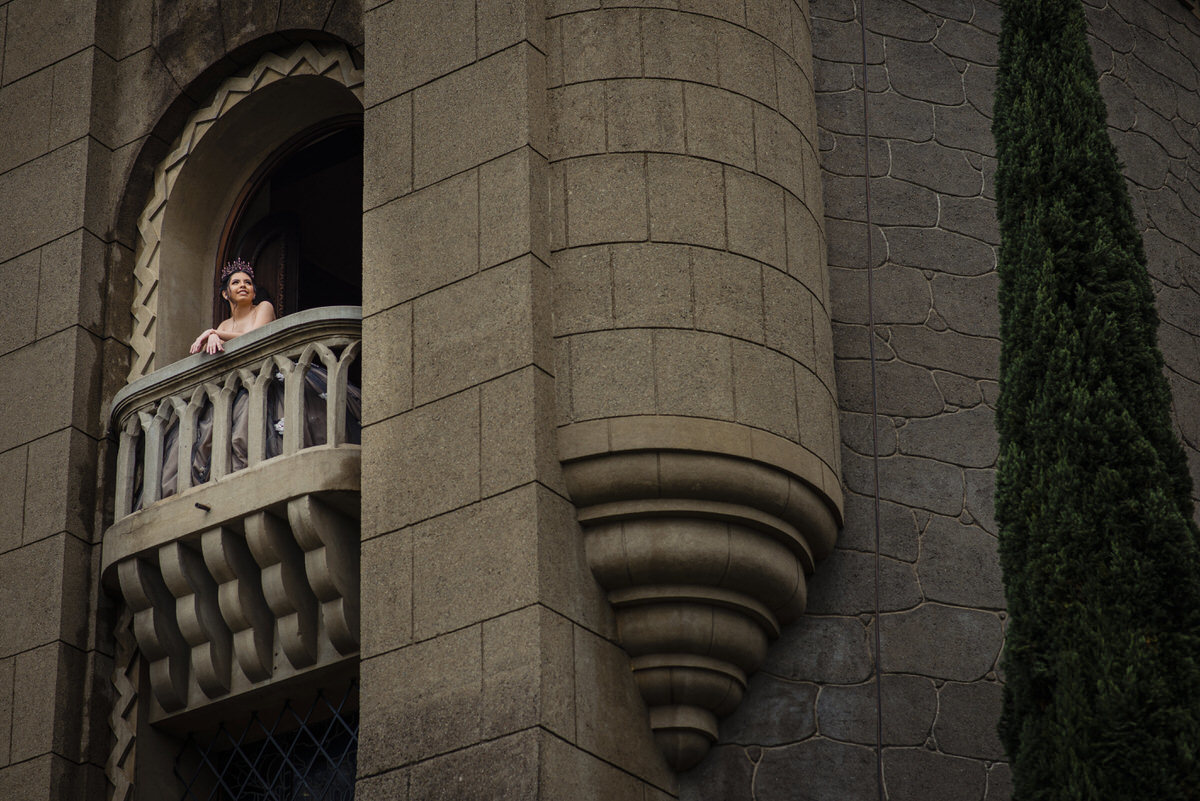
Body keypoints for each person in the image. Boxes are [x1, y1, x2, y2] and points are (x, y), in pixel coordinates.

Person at [190, 258, 276, 354]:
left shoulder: (264, 307)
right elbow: (207, 352)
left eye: (248, 282)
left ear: (254, 294)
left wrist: (215, 333)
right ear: (225, 294)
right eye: (236, 282)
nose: (243, 285)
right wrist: (212, 336)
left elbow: (255, 337)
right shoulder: (224, 325)